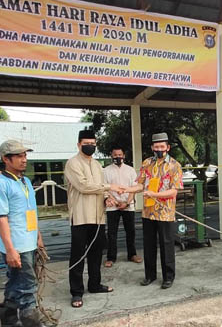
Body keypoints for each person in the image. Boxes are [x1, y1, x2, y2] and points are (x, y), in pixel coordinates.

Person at [0, 140, 55, 327]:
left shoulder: (25, 182)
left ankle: (8, 320)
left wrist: (38, 236)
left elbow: (31, 212)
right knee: (28, 284)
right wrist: (10, 249)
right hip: (16, 244)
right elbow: (1, 219)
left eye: (25, 156)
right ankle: (32, 325)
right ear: (5, 159)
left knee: (14, 282)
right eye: (18, 156)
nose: (23, 160)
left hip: (29, 240)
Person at [64, 130, 123, 308]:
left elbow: (101, 190)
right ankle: (76, 292)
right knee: (78, 255)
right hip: (80, 216)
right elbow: (83, 186)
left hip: (97, 216)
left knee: (96, 253)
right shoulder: (72, 163)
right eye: (86, 143)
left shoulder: (98, 165)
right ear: (78, 144)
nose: (90, 146)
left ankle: (95, 284)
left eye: (93, 143)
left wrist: (107, 197)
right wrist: (109, 187)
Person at [123, 132, 184, 289]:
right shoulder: (147, 163)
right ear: (152, 147)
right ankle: (149, 275)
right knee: (148, 245)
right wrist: (128, 189)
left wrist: (154, 194)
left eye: (162, 147)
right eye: (156, 146)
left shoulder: (175, 166)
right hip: (148, 211)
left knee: (166, 245)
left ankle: (168, 277)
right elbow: (141, 184)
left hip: (165, 212)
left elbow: (174, 191)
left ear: (167, 147)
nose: (159, 149)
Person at [103, 145, 142, 268]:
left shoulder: (130, 170)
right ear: (111, 156)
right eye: (115, 155)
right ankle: (111, 257)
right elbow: (105, 188)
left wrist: (127, 202)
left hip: (128, 205)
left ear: (124, 156)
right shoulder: (106, 171)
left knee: (130, 231)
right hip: (112, 206)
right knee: (111, 232)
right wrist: (114, 201)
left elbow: (134, 188)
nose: (118, 157)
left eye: (120, 155)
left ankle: (132, 254)